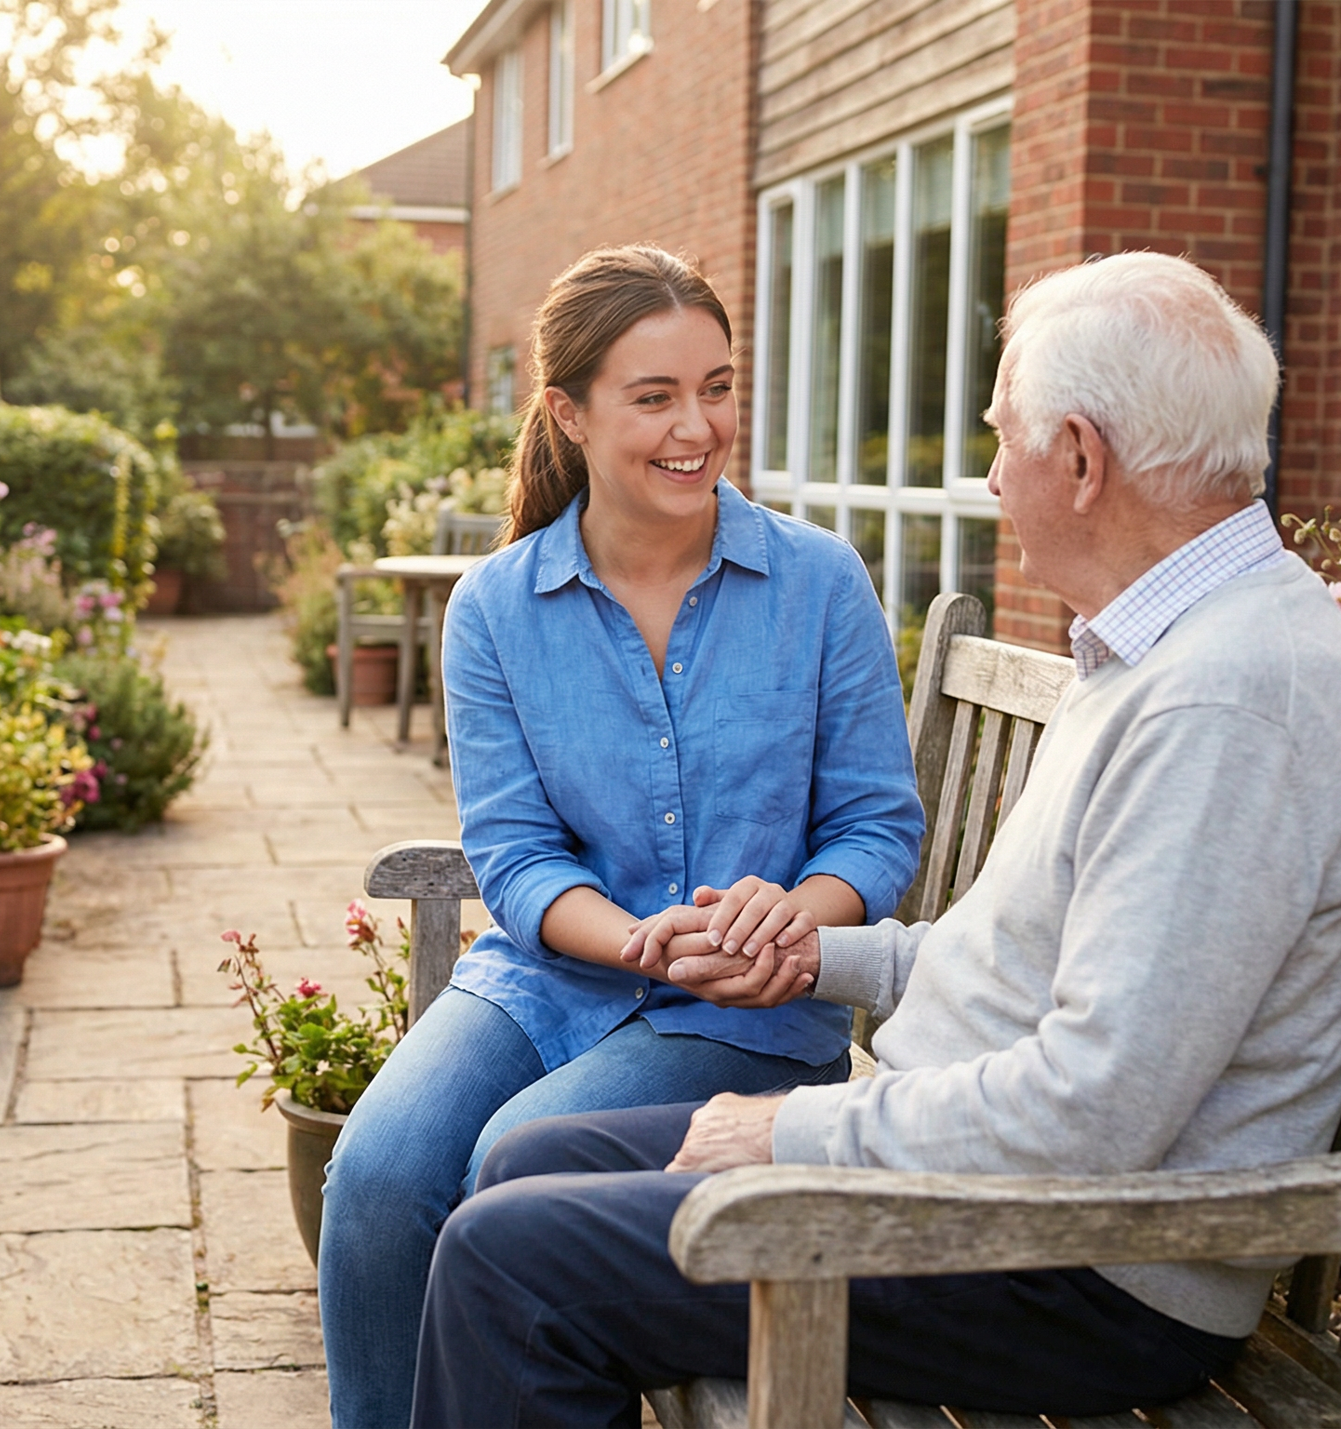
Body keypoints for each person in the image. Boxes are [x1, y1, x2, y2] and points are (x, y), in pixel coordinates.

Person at [408, 251, 1341, 1426]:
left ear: (1080, 459)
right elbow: (1017, 964)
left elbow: (1089, 1113)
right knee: (532, 1170)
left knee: (514, 1262)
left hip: (1078, 1267)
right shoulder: (1163, 650)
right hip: (991, 1195)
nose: (989, 479)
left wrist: (785, 1126)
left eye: (1003, 439)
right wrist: (814, 955)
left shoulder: (1225, 700)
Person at [315, 244, 926, 1429]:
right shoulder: (495, 607)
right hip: (546, 979)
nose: (696, 426)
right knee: (379, 1177)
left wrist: (785, 923)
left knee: (517, 1156)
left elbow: (872, 824)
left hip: (750, 1012)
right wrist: (643, 942)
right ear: (568, 412)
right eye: (653, 397)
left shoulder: (818, 583)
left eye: (717, 385)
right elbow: (517, 855)